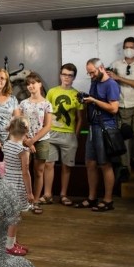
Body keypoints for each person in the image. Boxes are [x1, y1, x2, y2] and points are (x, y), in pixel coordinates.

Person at [75, 58, 120, 212]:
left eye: (93, 72)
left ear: (101, 68)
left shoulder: (111, 84)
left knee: (105, 164)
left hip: (106, 126)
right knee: (90, 163)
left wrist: (94, 100)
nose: (91, 76)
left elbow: (114, 109)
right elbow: (94, 102)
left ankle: (108, 200)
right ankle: (92, 198)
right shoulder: (94, 82)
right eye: (89, 73)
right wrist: (86, 99)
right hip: (93, 127)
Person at [46, 63, 84, 206]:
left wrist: (76, 134)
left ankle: (63, 195)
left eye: (70, 75)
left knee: (66, 166)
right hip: (52, 133)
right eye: (64, 74)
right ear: (60, 75)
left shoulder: (77, 94)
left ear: (73, 77)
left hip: (69, 135)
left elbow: (80, 118)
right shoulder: (51, 92)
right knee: (48, 164)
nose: (66, 77)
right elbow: (46, 113)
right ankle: (47, 194)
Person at [108, 36, 134, 175]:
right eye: (126, 47)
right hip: (122, 104)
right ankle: (125, 165)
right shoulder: (116, 64)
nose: (128, 49)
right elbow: (109, 80)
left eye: (131, 47)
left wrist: (118, 77)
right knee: (124, 135)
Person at [18, 72, 52, 212]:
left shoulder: (46, 104)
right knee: (24, 170)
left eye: (33, 83)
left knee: (39, 171)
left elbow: (47, 125)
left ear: (39, 84)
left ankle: (36, 201)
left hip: (41, 140)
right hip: (24, 140)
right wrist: (27, 140)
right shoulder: (23, 104)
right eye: (28, 84)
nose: (31, 86)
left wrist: (33, 140)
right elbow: (19, 123)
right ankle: (25, 199)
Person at [2, 116, 34, 256]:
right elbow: (25, 172)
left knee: (12, 214)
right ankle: (9, 245)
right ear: (26, 131)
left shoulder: (7, 144)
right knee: (14, 216)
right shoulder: (23, 150)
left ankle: (12, 241)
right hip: (17, 183)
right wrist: (30, 193)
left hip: (7, 180)